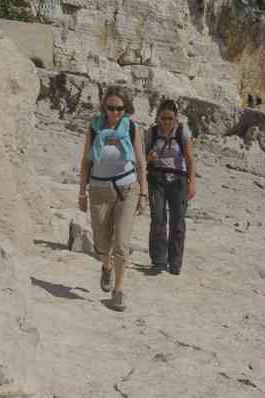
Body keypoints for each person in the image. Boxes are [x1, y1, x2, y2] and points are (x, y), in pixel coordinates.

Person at [78, 87, 147, 311]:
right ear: (104, 107)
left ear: (126, 109)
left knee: (121, 242)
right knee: (101, 243)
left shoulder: (132, 128)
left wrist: (143, 193)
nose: (115, 113)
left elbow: (140, 162)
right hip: (99, 190)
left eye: (119, 109)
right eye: (111, 108)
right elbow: (86, 162)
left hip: (127, 189)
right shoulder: (94, 128)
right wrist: (82, 192)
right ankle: (106, 266)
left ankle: (119, 290)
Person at [145, 99, 196, 275]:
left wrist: (192, 183)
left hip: (178, 180)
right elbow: (141, 156)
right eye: (163, 118)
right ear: (158, 117)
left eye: (170, 119)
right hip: (156, 179)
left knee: (178, 222)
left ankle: (175, 263)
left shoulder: (182, 132)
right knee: (158, 218)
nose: (167, 122)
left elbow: (190, 159)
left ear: (176, 118)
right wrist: (149, 158)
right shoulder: (151, 133)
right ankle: (158, 261)